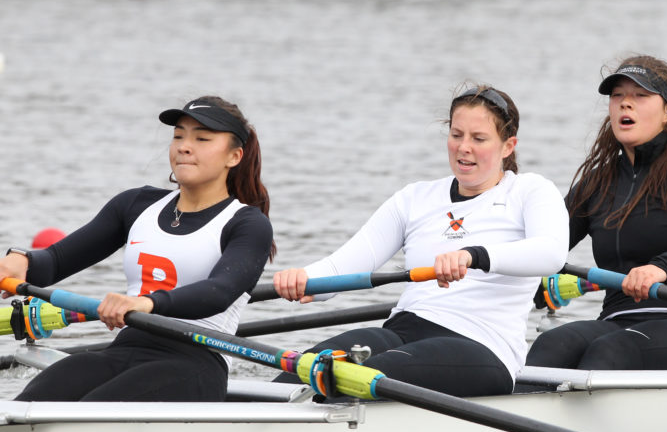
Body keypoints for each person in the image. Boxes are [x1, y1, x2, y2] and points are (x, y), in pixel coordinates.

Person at [272, 85, 568, 397]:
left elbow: (551, 253)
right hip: (402, 330)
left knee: (348, 378)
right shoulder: (415, 198)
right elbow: (344, 267)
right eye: (456, 135)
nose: (463, 147)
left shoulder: (529, 191)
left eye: (478, 139)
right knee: (303, 372)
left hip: (481, 345)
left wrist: (473, 256)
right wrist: (303, 279)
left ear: (508, 146)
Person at [0, 96, 275, 401]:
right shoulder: (135, 205)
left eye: (202, 138)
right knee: (41, 392)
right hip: (125, 349)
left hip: (195, 363)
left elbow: (220, 292)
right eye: (178, 136)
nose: (184, 146)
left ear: (234, 156)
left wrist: (146, 303)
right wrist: (22, 260)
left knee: (93, 408)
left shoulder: (247, 224)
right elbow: (54, 260)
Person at [525, 55, 667, 371]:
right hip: (620, 318)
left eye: (640, 95)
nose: (626, 104)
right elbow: (543, 248)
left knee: (614, 350)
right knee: (553, 343)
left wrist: (661, 268)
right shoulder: (596, 182)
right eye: (618, 96)